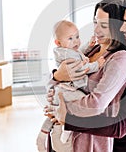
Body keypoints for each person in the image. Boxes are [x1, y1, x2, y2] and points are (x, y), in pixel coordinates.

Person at [49, 0, 126, 152]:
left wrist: (67, 118)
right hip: (92, 139)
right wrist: (57, 78)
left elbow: (121, 126)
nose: (121, 28)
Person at [40, 0, 126, 152]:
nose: (96, 30)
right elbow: (54, 82)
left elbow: (96, 104)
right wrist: (57, 78)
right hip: (60, 131)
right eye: (95, 22)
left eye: (103, 25)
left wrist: (61, 109)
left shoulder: (120, 58)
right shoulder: (90, 50)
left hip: (87, 141)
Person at [36, 20, 106, 152]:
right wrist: (97, 65)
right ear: (58, 43)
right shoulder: (67, 54)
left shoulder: (66, 50)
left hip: (63, 89)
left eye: (77, 37)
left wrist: (88, 46)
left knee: (54, 112)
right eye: (70, 38)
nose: (76, 41)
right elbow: (82, 67)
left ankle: (43, 132)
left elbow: (79, 53)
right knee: (82, 100)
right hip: (68, 90)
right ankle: (63, 132)